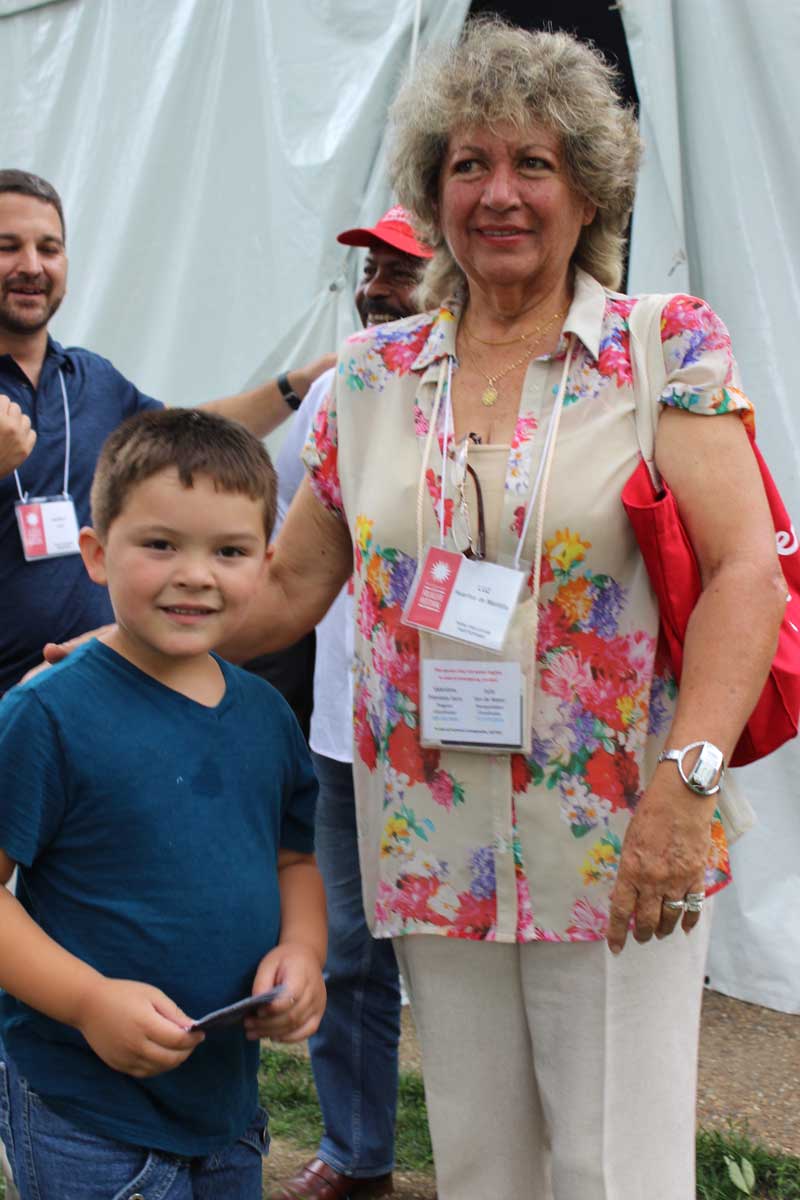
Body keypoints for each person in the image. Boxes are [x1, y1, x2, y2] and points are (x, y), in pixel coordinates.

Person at [209, 19, 787, 1200]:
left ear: (589, 190)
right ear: (433, 193)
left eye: (534, 163)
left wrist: (683, 788)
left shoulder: (660, 347)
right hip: (429, 839)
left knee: (614, 1168)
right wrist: (112, 637)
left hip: (622, 832)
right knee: (480, 1163)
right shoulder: (369, 378)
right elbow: (289, 586)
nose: (499, 193)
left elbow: (746, 572)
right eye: (467, 164)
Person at [0, 407, 327, 1199]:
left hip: (225, 1104)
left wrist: (303, 951)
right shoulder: (45, 716)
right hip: (85, 1109)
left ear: (265, 563)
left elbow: (294, 860)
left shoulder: (267, 716)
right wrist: (88, 1002)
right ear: (96, 554)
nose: (195, 574)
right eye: (160, 545)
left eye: (229, 551)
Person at [235, 207, 431, 1200]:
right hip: (344, 729)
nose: (377, 288)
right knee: (348, 949)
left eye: (402, 268)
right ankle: (358, 1154)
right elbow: (275, 539)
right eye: (371, 269)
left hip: (465, 740)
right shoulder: (341, 388)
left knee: (470, 963)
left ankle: (505, 1162)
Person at [0, 168, 334, 695]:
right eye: (7, 247)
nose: (32, 266)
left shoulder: (91, 379)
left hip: (106, 690)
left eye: (49, 248)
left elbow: (192, 439)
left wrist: (296, 387)